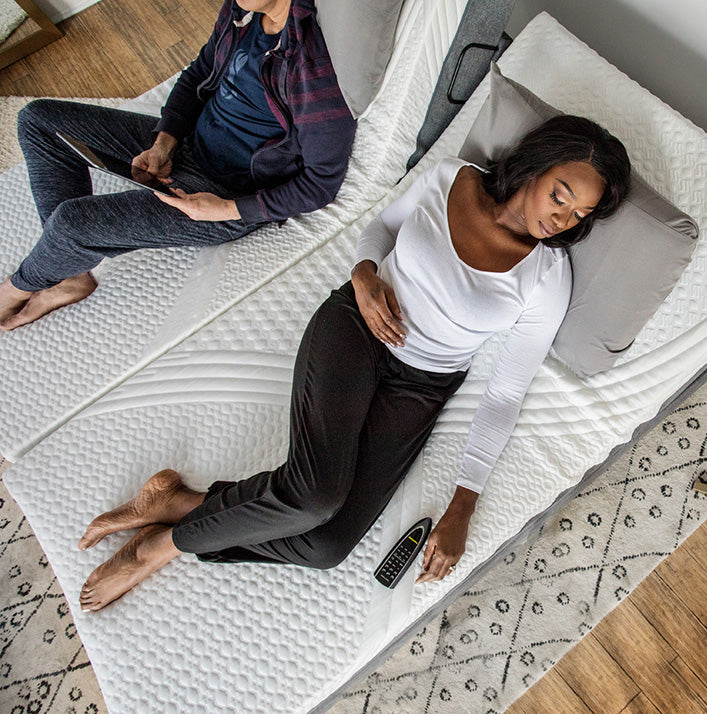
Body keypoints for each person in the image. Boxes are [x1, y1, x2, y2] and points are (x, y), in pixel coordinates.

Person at [76, 115, 632, 611]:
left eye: (580, 214)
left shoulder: (547, 276)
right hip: (356, 327)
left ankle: (180, 502)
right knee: (313, 494)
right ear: (535, 167)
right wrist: (364, 277)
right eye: (561, 196)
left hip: (421, 385)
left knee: (324, 546)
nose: (564, 218)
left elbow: (506, 393)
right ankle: (157, 549)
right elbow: (380, 228)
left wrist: (463, 507)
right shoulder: (451, 178)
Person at [0, 0, 355, 331]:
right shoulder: (242, 12)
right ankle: (68, 273)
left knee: (72, 222)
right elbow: (199, 71)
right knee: (38, 119)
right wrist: (163, 143)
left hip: (222, 191)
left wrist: (224, 209)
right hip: (187, 146)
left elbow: (320, 183)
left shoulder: (312, 65)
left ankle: (18, 288)